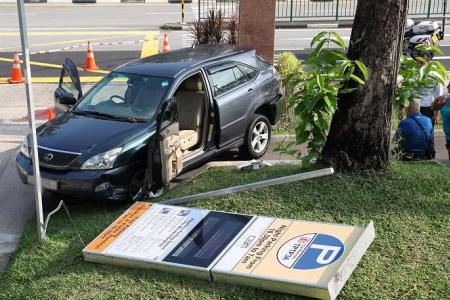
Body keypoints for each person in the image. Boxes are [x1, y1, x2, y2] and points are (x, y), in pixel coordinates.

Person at [416, 60, 444, 126]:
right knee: (414, 132)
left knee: (428, 131)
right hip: (414, 108)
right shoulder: (414, 74)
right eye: (419, 61)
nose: (419, 63)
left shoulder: (435, 77)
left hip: (428, 109)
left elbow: (439, 98)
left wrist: (437, 114)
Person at [431, 82, 450, 160]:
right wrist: (437, 100)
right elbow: (433, 108)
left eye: (449, 85)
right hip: (448, 133)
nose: (447, 86)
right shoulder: (447, 99)